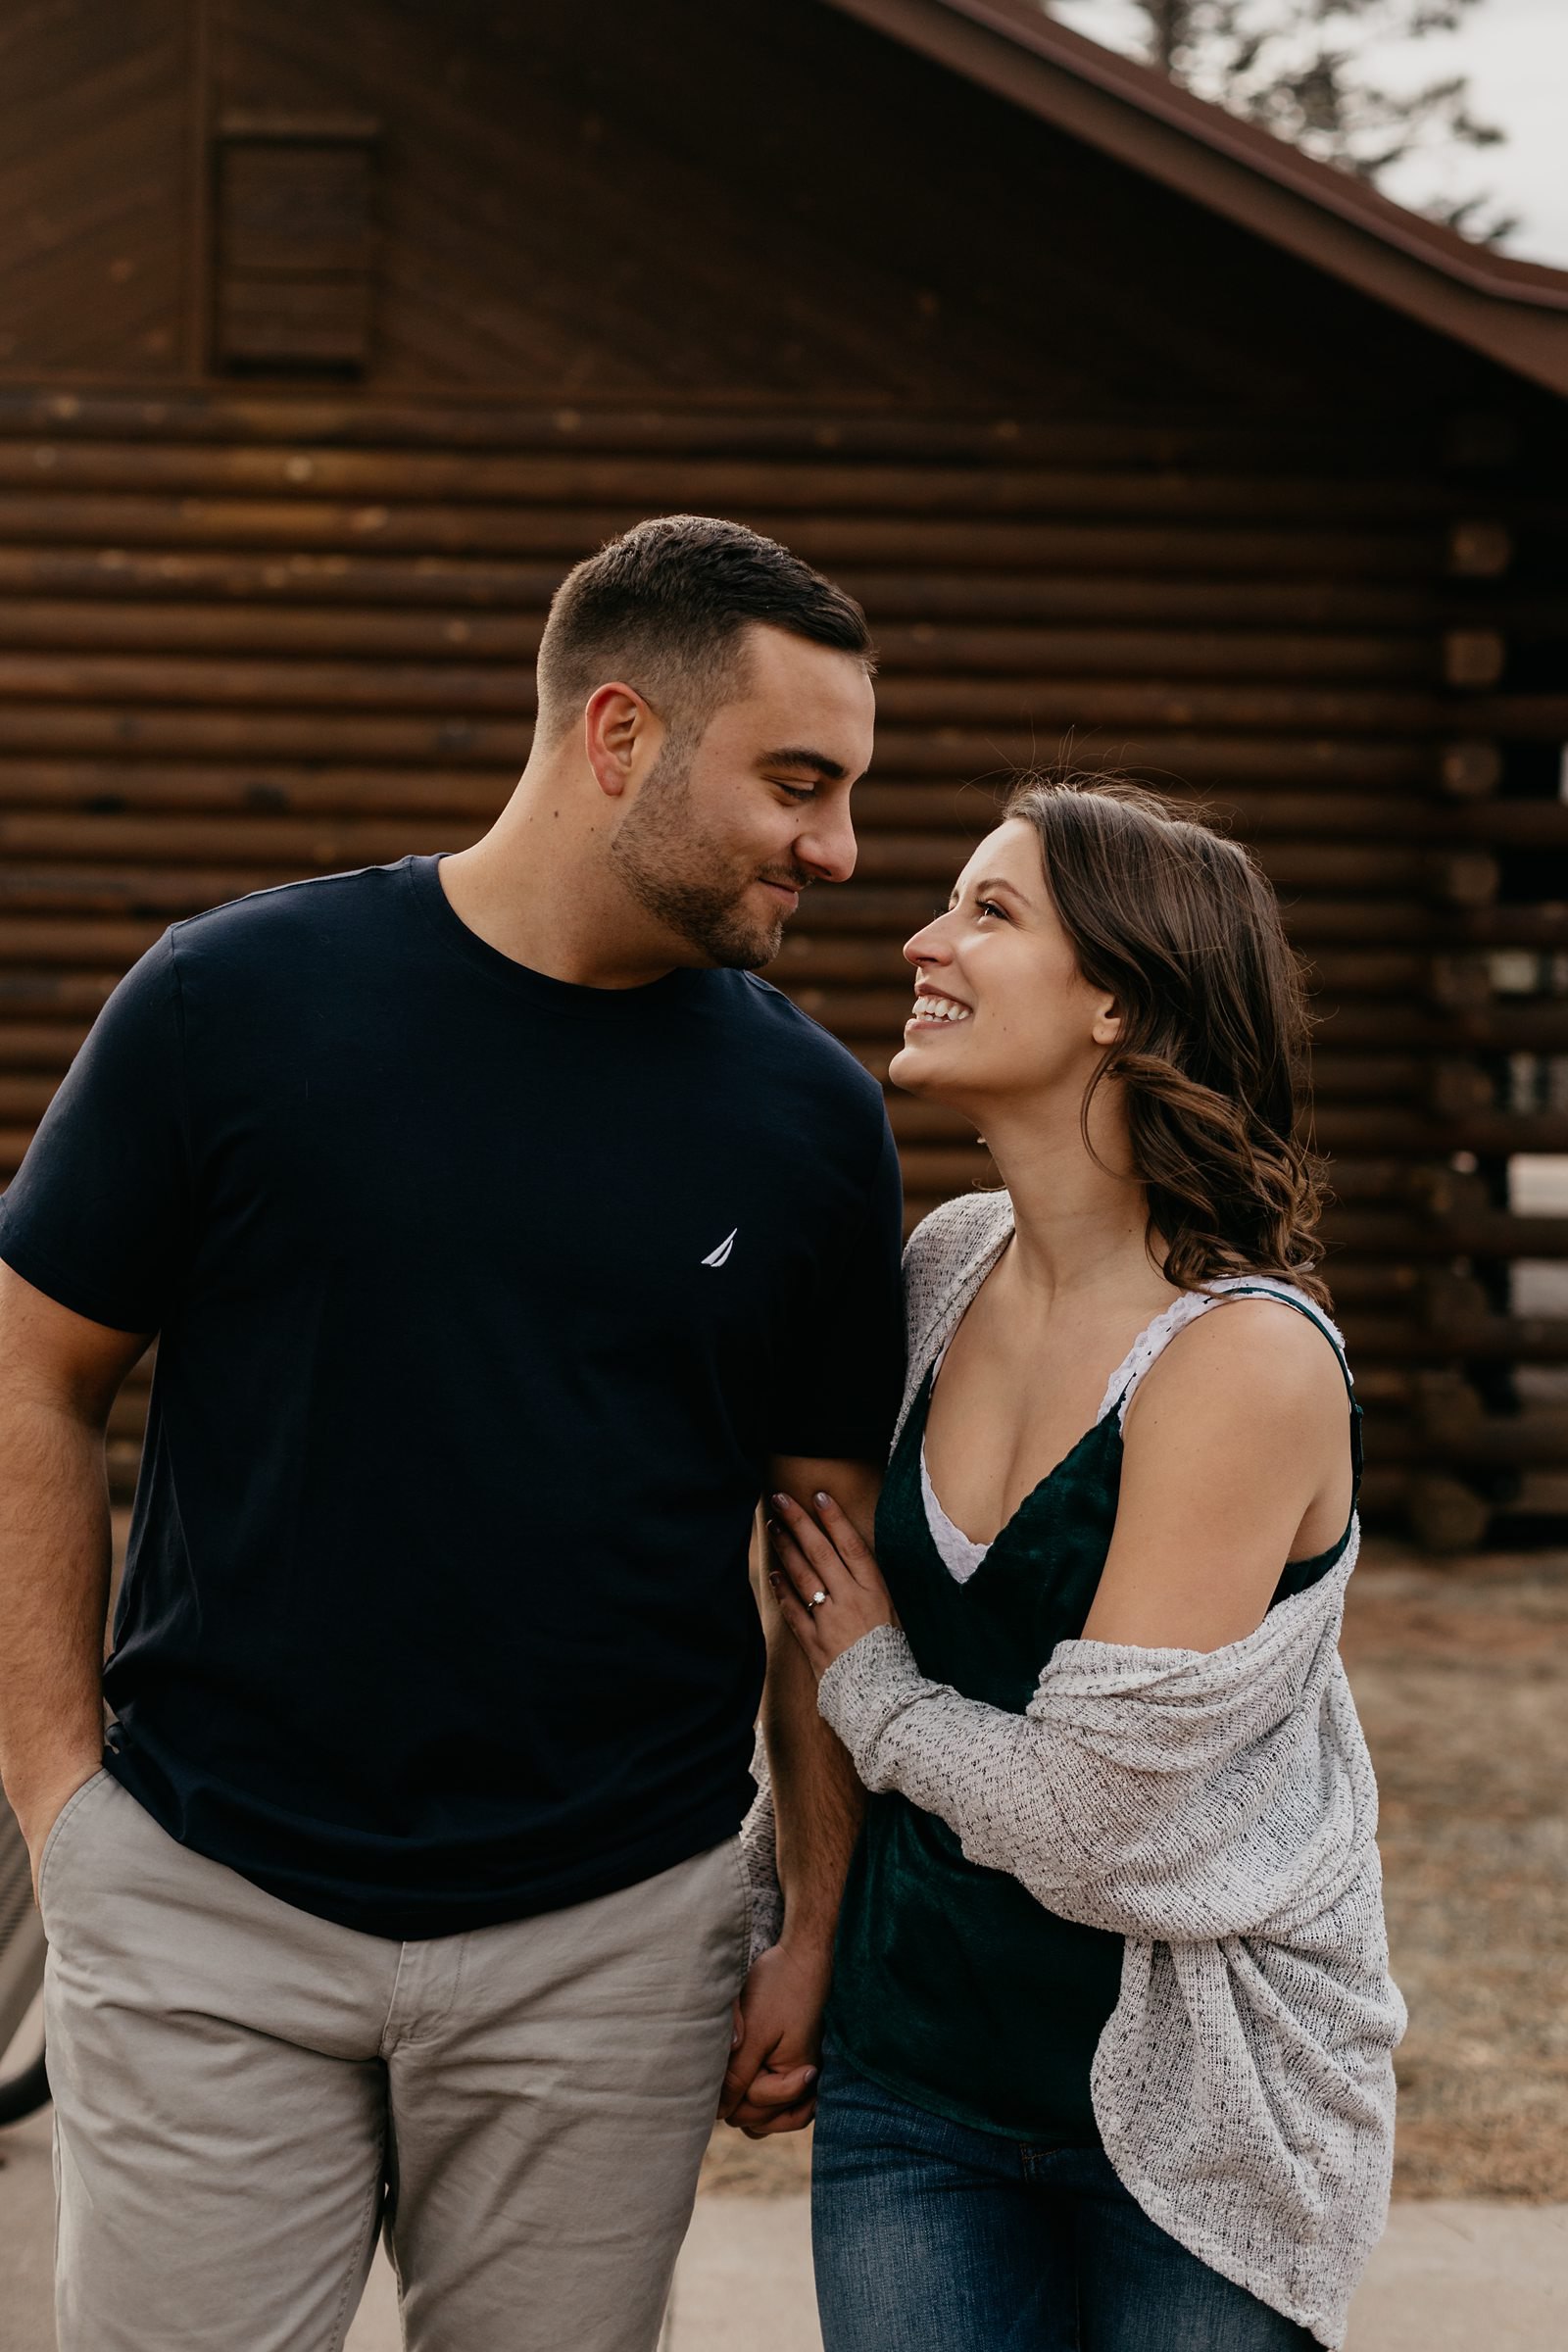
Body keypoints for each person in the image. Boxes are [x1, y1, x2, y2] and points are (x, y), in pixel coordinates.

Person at [0, 514, 902, 2352]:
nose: (840, 848)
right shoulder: (229, 1007)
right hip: (203, 1898)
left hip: (614, 1935)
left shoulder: (813, 1124)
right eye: (799, 784)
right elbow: (31, 1370)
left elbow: (824, 1548)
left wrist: (810, 1915)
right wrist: (55, 1794)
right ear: (622, 735)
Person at [764, 776, 1405, 2352]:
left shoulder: (1243, 1361)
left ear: (1121, 996)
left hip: (1195, 2128)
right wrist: (805, 1937)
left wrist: (875, 1689)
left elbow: (1094, 1819)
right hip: (913, 2084)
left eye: (990, 910)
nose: (924, 938)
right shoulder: (941, 1265)